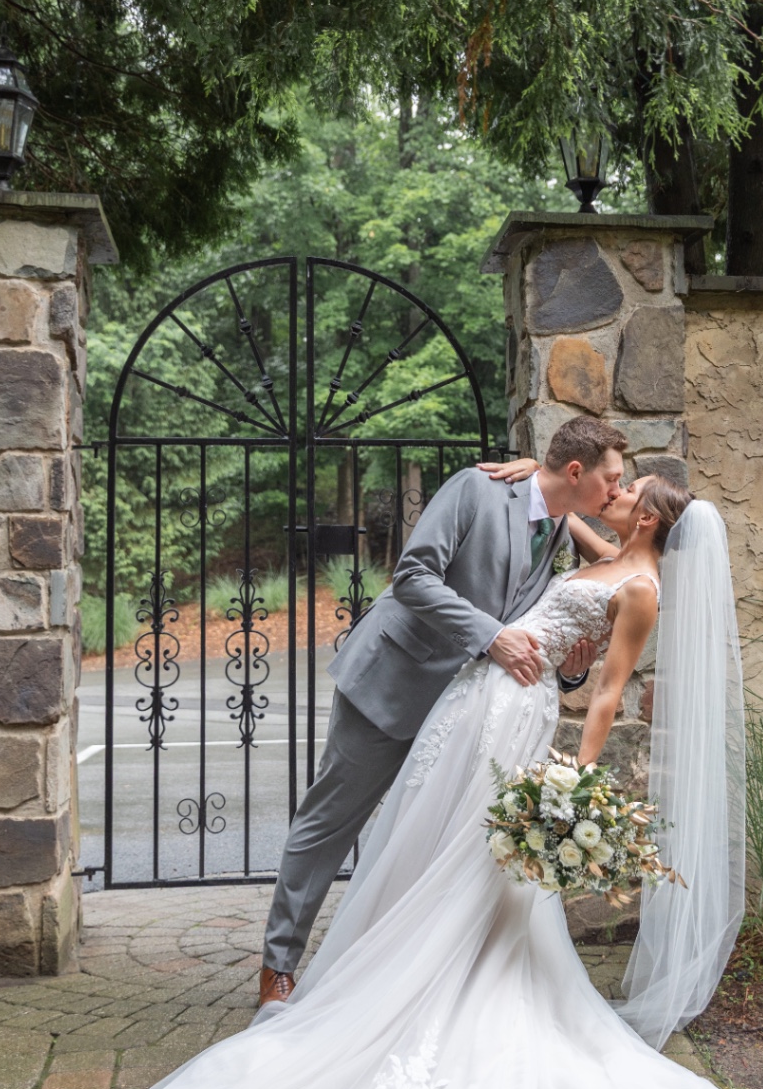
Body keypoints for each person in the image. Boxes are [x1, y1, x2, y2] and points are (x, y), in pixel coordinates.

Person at [23, 469, 763, 1089]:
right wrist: (527, 462)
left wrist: (574, 784)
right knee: (426, 835)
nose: (614, 490)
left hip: (517, 709)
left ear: (646, 517)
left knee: (476, 858)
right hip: (475, 696)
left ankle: (450, 979)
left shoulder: (640, 586)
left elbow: (605, 688)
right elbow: (558, 505)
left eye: (627, 487)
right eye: (608, 478)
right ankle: (327, 963)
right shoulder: (598, 544)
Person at [258, 415, 628, 1005]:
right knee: (331, 820)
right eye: (611, 479)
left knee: (429, 841)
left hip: (467, 714)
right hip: (394, 684)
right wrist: (490, 636)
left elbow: (540, 624)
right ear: (578, 471)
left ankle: (397, 970)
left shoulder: (560, 533)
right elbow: (412, 575)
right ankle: (278, 965)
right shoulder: (474, 489)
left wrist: (573, 664)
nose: (615, 491)